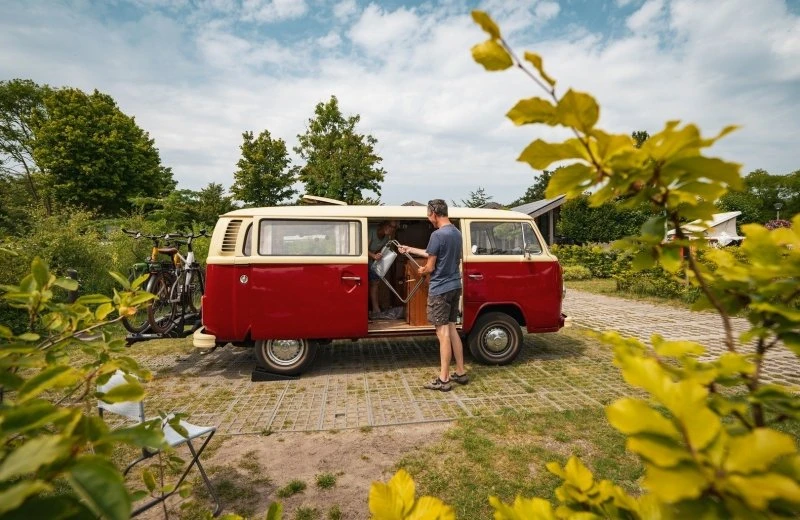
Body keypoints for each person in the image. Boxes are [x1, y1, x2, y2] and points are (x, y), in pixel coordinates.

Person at [398, 199, 467, 391]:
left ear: (434, 214)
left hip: (440, 289)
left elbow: (430, 265)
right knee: (452, 329)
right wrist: (409, 249)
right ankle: (460, 372)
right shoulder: (456, 232)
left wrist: (423, 270)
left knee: (442, 333)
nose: (428, 219)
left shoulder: (437, 235)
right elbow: (434, 253)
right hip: (455, 286)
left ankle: (444, 379)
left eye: (428, 215)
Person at [368, 220, 398, 317]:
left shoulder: (387, 237)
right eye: (390, 226)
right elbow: (362, 248)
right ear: (384, 224)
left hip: (373, 261)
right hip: (364, 260)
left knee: (375, 283)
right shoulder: (372, 231)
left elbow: (380, 250)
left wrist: (379, 255)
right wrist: (373, 255)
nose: (391, 229)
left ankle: (376, 309)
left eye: (394, 227)